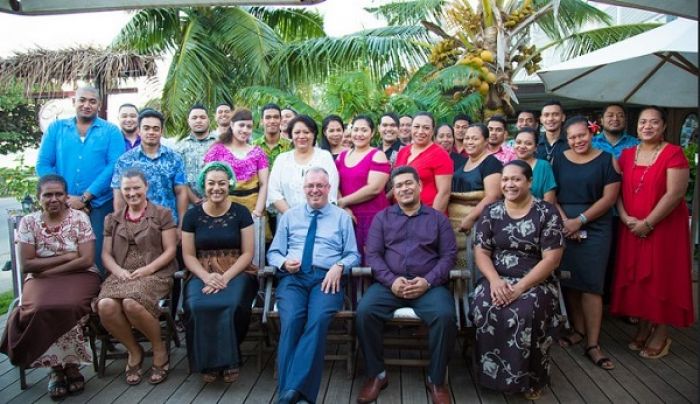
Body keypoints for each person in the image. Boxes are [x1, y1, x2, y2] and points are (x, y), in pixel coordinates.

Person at [356, 166, 457, 404]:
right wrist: (391, 281)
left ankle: (436, 379)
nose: (404, 189)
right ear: (394, 191)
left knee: (445, 316)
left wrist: (427, 281)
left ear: (420, 186)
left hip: (428, 286)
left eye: (408, 183)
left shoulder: (438, 219)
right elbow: (374, 255)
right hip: (389, 285)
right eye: (399, 185)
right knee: (364, 312)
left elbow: (448, 256)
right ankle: (376, 374)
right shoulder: (383, 218)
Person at [0, 175, 101, 400]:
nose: (53, 199)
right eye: (47, 194)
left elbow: (85, 260)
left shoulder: (79, 219)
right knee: (39, 308)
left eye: (58, 194)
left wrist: (47, 269)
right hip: (41, 280)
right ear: (38, 198)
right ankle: (55, 369)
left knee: (70, 305)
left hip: (80, 276)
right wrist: (67, 256)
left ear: (66, 196)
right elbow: (27, 264)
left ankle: (72, 365)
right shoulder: (29, 222)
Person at [472, 161, 565, 400]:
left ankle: (532, 379)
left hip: (536, 281)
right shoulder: (491, 211)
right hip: (497, 278)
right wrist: (493, 281)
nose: (509, 184)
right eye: (505, 179)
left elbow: (552, 259)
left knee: (526, 310)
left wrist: (520, 287)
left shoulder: (547, 212)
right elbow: (481, 251)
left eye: (516, 179)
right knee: (485, 304)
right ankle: (493, 376)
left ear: (530, 182)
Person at [267, 167, 360, 404]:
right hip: (293, 279)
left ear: (329, 189)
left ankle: (289, 392)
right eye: (310, 186)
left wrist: (339, 265)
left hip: (326, 279)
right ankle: (297, 393)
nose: (315, 190)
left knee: (317, 321)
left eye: (320, 186)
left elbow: (353, 255)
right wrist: (284, 262)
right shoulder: (289, 216)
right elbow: (274, 252)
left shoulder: (341, 217)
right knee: (291, 321)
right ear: (303, 189)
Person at [611, 106, 694, 359]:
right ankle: (645, 326)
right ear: (636, 126)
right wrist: (625, 218)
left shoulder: (673, 153)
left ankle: (662, 332)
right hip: (631, 225)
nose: (647, 126)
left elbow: (675, 194)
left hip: (663, 227)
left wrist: (648, 223)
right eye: (643, 122)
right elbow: (615, 191)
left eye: (654, 122)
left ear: (664, 126)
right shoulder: (625, 155)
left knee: (661, 276)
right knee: (636, 276)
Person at [97, 169, 178, 385]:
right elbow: (105, 253)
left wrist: (148, 269)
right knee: (105, 305)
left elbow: (170, 250)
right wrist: (117, 271)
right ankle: (134, 350)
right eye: (127, 189)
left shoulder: (162, 213)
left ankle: (159, 348)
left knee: (132, 303)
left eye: (136, 188)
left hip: (155, 272)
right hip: (121, 273)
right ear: (121, 191)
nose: (132, 193)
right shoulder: (112, 219)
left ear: (146, 188)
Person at [552, 116, 620, 370]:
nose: (577, 141)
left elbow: (609, 198)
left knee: (592, 284)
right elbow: (552, 194)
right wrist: (564, 221)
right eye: (572, 137)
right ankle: (577, 329)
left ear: (592, 134)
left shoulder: (606, 159)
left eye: (582, 135)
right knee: (569, 280)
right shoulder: (558, 159)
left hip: (596, 225)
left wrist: (579, 220)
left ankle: (593, 343)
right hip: (564, 224)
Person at [181, 162, 259, 383]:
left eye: (222, 183)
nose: (217, 188)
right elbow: (188, 255)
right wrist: (207, 277)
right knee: (197, 305)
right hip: (201, 270)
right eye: (211, 183)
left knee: (232, 304)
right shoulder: (192, 216)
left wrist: (224, 277)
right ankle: (209, 363)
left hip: (237, 270)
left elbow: (248, 253)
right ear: (203, 186)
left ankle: (228, 361)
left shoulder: (241, 212)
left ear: (229, 184)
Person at [35, 85, 124, 275]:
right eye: (82, 100)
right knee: (63, 252)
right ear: (74, 102)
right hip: (62, 205)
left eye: (92, 101)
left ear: (99, 105)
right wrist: (65, 198)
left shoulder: (111, 131)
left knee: (99, 255)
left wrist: (84, 198)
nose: (87, 105)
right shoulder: (57, 129)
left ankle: (97, 299)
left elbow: (114, 166)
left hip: (99, 205)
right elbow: (43, 164)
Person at [112, 109, 188, 227]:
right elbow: (119, 195)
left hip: (168, 225)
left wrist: (182, 226)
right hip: (136, 226)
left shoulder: (175, 158)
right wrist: (122, 226)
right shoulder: (125, 161)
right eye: (146, 128)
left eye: (156, 128)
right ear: (139, 130)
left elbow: (181, 192)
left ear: (161, 131)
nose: (151, 132)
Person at [336, 115, 391, 263]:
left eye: (364, 130)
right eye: (356, 130)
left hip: (372, 217)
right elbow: (334, 184)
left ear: (372, 133)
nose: (359, 134)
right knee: (348, 259)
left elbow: (375, 188)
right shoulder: (341, 156)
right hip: (347, 216)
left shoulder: (378, 155)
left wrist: (343, 201)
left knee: (372, 260)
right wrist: (344, 208)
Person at [204, 108, 269, 221]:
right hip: (223, 208)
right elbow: (206, 181)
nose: (245, 130)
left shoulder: (258, 153)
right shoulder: (216, 151)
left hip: (253, 209)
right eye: (241, 125)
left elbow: (264, 184)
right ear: (232, 125)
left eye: (249, 127)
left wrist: (257, 212)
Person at [267, 115, 339, 214]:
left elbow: (331, 190)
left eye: (306, 132)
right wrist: (292, 216)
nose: (301, 136)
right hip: (288, 219)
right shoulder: (282, 160)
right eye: (297, 132)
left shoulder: (324, 157)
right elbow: (273, 191)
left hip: (320, 219)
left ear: (314, 134)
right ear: (291, 135)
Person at [395, 112, 453, 213]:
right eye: (416, 127)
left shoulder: (440, 155)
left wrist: (432, 220)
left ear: (432, 131)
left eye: (426, 128)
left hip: (427, 214)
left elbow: (444, 193)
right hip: (401, 214)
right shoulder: (403, 152)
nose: (420, 131)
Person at [451, 123, 503, 235]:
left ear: (486, 141)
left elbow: (493, 196)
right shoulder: (462, 162)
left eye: (475, 139)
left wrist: (471, 217)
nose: (469, 142)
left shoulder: (492, 163)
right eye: (467, 138)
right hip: (455, 223)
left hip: (478, 225)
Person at [174, 104, 218, 205]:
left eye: (202, 117)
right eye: (194, 118)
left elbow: (226, 173)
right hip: (189, 204)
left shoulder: (219, 144)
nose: (198, 120)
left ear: (209, 120)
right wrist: (194, 199)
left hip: (216, 202)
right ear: (188, 121)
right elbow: (179, 177)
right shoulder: (180, 147)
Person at [513, 127, 557, 203]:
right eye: (518, 142)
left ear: (536, 147)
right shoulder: (508, 167)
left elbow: (549, 201)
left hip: (540, 213)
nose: (522, 146)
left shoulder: (544, 166)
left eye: (528, 143)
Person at [252, 103, 293, 168]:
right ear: (262, 121)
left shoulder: (291, 146)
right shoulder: (253, 146)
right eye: (268, 117)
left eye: (276, 117)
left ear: (280, 120)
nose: (272, 121)